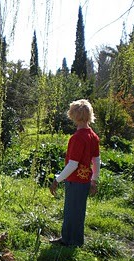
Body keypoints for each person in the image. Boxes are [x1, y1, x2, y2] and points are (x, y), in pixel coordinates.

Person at [49, 99, 100, 247]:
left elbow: (72, 164)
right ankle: (71, 239)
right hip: (85, 180)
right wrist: (94, 180)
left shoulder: (77, 138)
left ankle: (71, 241)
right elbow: (96, 161)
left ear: (73, 115)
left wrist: (57, 180)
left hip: (75, 180)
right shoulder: (93, 136)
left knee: (71, 212)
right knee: (78, 211)